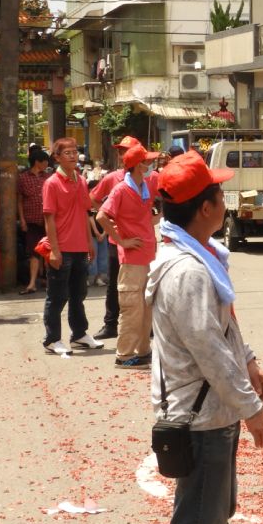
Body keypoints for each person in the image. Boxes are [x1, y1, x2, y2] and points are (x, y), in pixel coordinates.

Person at [148, 150, 263, 524]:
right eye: (220, 197)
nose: (225, 204)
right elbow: (210, 351)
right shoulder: (188, 271)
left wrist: (251, 362)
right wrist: (252, 409)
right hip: (198, 413)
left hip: (212, 407)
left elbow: (225, 332)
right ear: (205, 208)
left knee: (216, 507)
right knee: (199, 516)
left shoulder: (202, 258)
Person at [97, 144, 161, 369]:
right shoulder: (121, 189)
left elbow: (145, 219)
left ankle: (143, 352)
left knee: (146, 308)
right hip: (132, 259)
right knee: (132, 309)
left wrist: (162, 215)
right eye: (147, 161)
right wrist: (121, 240)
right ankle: (124, 356)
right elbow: (101, 216)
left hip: (147, 256)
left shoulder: (144, 187)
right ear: (138, 165)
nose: (150, 164)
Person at [41, 138, 100, 355]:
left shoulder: (81, 180)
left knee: (78, 294)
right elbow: (49, 218)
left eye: (75, 152)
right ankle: (52, 339)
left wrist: (89, 242)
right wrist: (54, 250)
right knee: (57, 296)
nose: (73, 156)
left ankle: (79, 335)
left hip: (79, 247)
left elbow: (84, 213)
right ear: (56, 157)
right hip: (62, 247)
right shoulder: (52, 183)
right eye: (67, 153)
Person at [89, 136, 145, 342]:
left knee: (143, 283)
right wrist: (107, 218)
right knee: (114, 283)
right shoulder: (113, 178)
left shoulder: (148, 178)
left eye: (126, 151)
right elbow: (93, 198)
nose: (122, 155)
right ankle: (111, 324)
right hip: (117, 241)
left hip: (141, 241)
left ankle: (145, 324)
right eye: (121, 152)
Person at [17, 148, 50, 295]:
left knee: (48, 251)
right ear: (37, 162)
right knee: (34, 252)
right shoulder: (23, 178)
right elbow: (19, 200)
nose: (47, 164)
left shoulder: (48, 177)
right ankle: (32, 283)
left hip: (48, 220)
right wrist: (22, 219)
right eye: (45, 161)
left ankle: (49, 281)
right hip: (31, 221)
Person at [87, 180, 110, 287]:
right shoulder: (88, 201)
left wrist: (104, 233)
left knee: (103, 256)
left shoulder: (105, 201)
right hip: (92, 233)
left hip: (104, 233)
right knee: (93, 256)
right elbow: (90, 217)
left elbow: (109, 218)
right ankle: (92, 277)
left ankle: (101, 277)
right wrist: (96, 231)